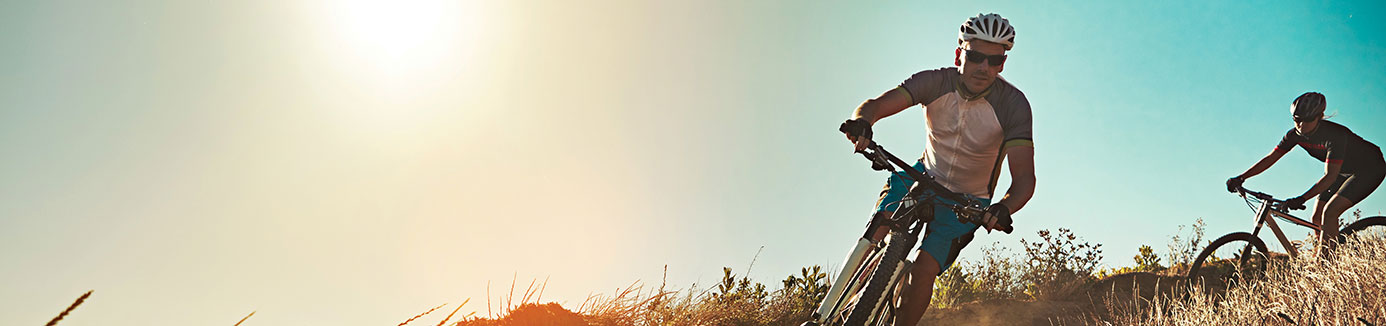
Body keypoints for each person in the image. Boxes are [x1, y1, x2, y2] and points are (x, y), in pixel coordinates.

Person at [838, 13, 1035, 325]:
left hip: (967, 202)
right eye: (975, 57)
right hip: (921, 176)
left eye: (994, 61)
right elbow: (875, 105)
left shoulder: (1014, 105)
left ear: (1003, 64)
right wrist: (863, 121)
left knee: (924, 269)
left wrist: (1004, 208)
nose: (984, 67)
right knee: (879, 227)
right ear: (960, 54)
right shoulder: (934, 82)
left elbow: (1024, 179)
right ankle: (835, 305)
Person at [1227, 92, 1385, 256]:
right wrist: (1241, 177)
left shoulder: (1335, 136)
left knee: (1330, 212)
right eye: (1296, 120)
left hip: (1370, 168)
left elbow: (1330, 176)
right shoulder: (1294, 135)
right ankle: (1331, 255)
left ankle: (1325, 264)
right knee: (1316, 218)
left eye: (1307, 120)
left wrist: (1302, 198)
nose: (1301, 125)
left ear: (1320, 116)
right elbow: (1270, 158)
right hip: (1343, 171)